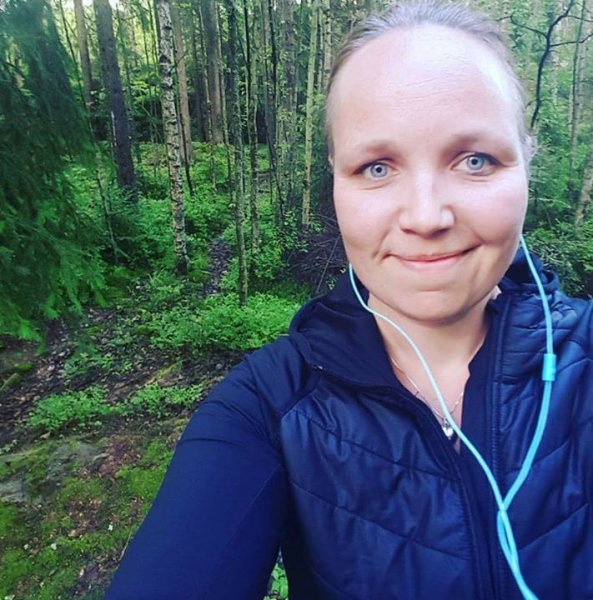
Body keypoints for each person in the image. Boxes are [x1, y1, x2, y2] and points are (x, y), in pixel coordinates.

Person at [106, 1, 593, 599]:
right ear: (336, 179)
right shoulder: (268, 406)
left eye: (474, 160)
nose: (426, 217)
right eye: (378, 168)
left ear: (526, 165)